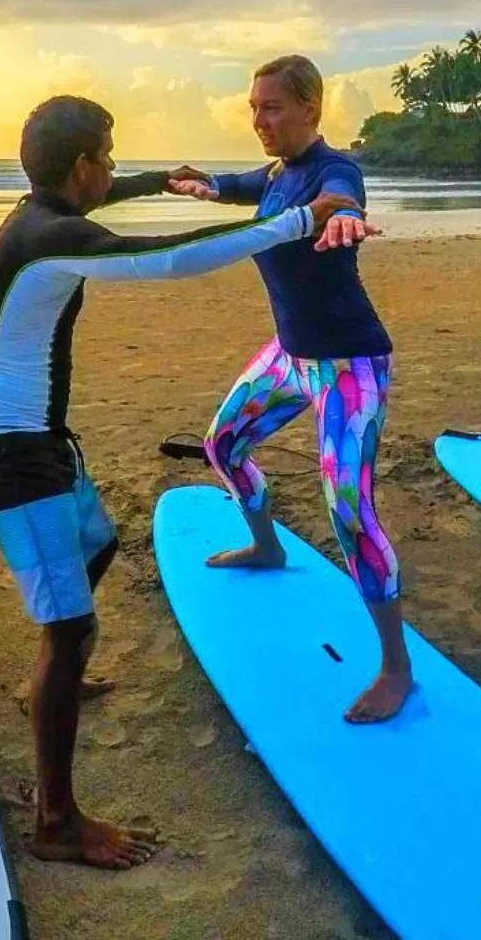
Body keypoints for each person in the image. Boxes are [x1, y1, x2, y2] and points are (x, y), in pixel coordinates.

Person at [0, 95, 368, 871]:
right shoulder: (50, 237)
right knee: (71, 626)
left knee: (99, 547)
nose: (111, 170)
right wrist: (296, 221)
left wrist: (155, 177)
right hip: (9, 457)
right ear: (78, 166)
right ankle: (56, 820)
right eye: (107, 157)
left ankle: (53, 674)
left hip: (40, 441)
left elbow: (105, 195)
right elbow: (170, 258)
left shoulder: (38, 207)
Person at [176, 55, 411, 724]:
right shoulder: (278, 175)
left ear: (311, 108)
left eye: (272, 108)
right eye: (254, 108)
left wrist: (342, 220)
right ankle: (266, 544)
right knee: (223, 443)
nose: (259, 120)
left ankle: (395, 667)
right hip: (291, 356)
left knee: (348, 508)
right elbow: (241, 184)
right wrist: (202, 185)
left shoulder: (335, 172)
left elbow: (341, 199)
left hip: (349, 365)